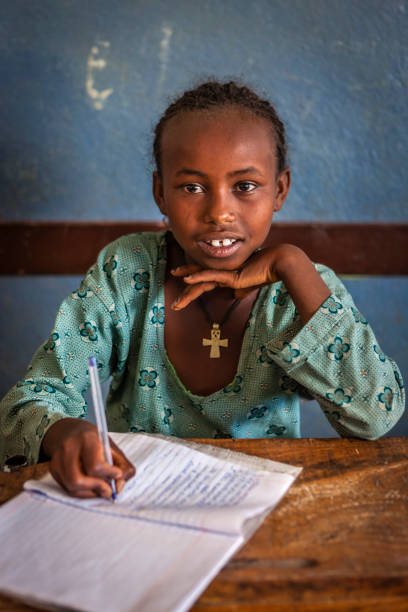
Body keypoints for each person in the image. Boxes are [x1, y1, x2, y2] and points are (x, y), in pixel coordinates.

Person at [0, 80, 405, 498]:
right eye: (192, 187)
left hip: (261, 513)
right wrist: (63, 432)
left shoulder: (297, 291)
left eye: (245, 186)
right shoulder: (127, 272)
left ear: (280, 189)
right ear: (160, 191)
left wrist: (292, 263)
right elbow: (31, 400)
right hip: (136, 502)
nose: (220, 213)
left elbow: (375, 415)